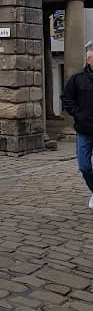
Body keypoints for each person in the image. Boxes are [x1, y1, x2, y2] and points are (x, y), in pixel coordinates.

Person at [61, 48, 93, 208]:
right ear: (88, 60)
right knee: (84, 166)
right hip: (84, 130)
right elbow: (66, 98)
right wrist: (78, 114)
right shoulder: (77, 80)